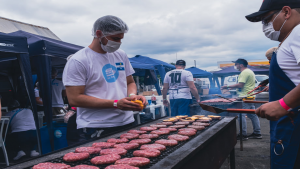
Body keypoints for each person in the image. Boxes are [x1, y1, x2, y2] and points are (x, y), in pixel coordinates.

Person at [63, 15, 146, 143]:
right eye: (115, 38)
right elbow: (74, 99)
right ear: (99, 34)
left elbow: (130, 82)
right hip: (95, 126)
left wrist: (132, 96)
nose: (118, 43)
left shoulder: (120, 55)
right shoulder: (79, 60)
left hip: (126, 122)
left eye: (121, 39)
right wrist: (115, 103)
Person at [246, 0, 300, 168]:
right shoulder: (289, 38)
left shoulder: (298, 32)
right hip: (288, 125)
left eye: (266, 19)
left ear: (286, 12)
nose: (264, 27)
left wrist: (283, 104)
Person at [221, 59, 262, 140]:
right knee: (252, 115)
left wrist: (227, 87)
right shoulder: (250, 71)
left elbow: (240, 85)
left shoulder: (244, 72)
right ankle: (257, 133)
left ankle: (243, 135)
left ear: (241, 65)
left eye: (236, 64)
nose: (235, 66)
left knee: (241, 115)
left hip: (244, 97)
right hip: (250, 96)